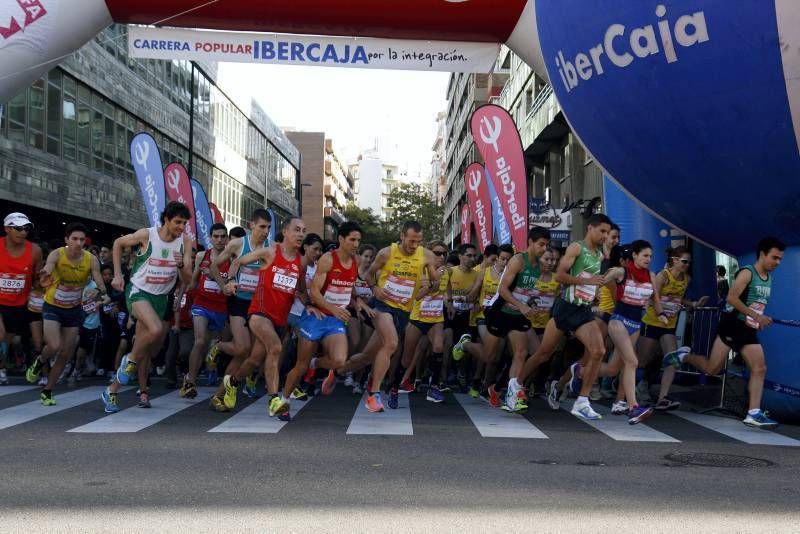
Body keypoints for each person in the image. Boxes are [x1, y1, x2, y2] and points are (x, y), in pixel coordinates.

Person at [663, 237, 785, 429]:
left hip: (748, 330)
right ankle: (684, 356)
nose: (777, 262)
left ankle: (753, 413)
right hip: (731, 326)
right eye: (774, 257)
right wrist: (756, 315)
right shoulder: (747, 273)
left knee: (760, 368)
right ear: (762, 254)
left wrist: (758, 319)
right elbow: (732, 298)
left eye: (780, 259)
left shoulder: (768, 278)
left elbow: (755, 304)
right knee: (712, 369)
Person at [511, 214, 613, 420]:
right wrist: (589, 282)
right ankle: (516, 385)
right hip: (566, 308)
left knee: (598, 350)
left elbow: (592, 280)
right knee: (543, 354)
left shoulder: (599, 255)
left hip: (583, 309)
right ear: (590, 228)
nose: (605, 236)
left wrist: (594, 292)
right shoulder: (576, 248)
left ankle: (582, 401)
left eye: (608, 232)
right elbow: (560, 276)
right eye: (602, 231)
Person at [335, 221, 441, 413]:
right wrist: (375, 288)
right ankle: (373, 395)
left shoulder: (426, 256)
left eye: (418, 241)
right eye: (411, 241)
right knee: (391, 344)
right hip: (383, 307)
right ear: (402, 236)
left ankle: (337, 371)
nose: (414, 246)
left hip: (404, 311)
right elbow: (368, 274)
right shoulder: (387, 253)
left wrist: (430, 284)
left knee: (367, 357)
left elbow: (435, 284)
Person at [100, 202, 193, 412]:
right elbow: (117, 243)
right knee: (155, 329)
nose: (181, 227)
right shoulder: (147, 235)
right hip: (139, 292)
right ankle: (130, 361)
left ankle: (112, 390)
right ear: (167, 219)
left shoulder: (185, 242)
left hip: (162, 298)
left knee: (147, 348)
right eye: (178, 222)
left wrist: (180, 265)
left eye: (184, 223)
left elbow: (187, 278)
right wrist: (117, 274)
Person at [221, 217, 306, 417]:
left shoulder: (299, 262)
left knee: (255, 359)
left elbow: (301, 291)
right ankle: (273, 400)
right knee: (276, 348)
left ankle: (231, 382)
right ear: (285, 232)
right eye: (296, 230)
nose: (301, 234)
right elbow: (238, 261)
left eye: (304, 230)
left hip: (279, 319)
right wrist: (232, 280)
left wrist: (312, 305)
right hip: (259, 313)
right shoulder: (270, 251)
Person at [280, 222, 364, 419]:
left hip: (334, 320)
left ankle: (316, 363)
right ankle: (284, 400)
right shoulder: (327, 260)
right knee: (300, 366)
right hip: (316, 317)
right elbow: (315, 293)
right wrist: (334, 309)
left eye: (358, 240)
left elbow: (350, 285)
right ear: (341, 239)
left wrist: (358, 301)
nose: (355, 244)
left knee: (339, 360)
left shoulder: (356, 261)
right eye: (352, 239)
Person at [26, 223, 105, 405]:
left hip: (73, 310)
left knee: (65, 353)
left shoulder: (90, 259)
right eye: (75, 239)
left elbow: (100, 282)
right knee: (54, 345)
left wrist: (100, 291)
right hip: (53, 306)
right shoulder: (57, 254)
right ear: (67, 240)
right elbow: (49, 266)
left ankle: (47, 391)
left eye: (82, 239)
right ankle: (40, 361)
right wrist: (45, 273)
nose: (78, 243)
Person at [206, 210, 271, 411]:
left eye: (268, 227)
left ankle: (219, 395)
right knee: (242, 348)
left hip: (258, 305)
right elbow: (214, 265)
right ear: (252, 225)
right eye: (262, 227)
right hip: (239, 302)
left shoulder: (271, 248)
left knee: (247, 355)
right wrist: (224, 284)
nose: (266, 231)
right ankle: (218, 347)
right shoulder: (238, 244)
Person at [593, 240, 664, 424]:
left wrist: (661, 313)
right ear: (634, 255)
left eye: (650, 256)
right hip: (618, 322)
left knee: (612, 369)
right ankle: (633, 407)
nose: (649, 259)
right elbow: (600, 280)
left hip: (635, 325)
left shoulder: (651, 275)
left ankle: (579, 372)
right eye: (645, 255)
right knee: (632, 361)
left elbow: (656, 300)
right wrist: (594, 298)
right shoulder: (621, 272)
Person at [638, 246, 707, 411]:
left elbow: (680, 299)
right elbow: (653, 296)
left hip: (669, 325)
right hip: (652, 322)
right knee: (641, 361)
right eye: (684, 261)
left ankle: (663, 398)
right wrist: (660, 310)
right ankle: (621, 385)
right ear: (674, 260)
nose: (686, 265)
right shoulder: (663, 276)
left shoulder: (686, 279)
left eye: (689, 262)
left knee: (672, 359)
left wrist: (694, 304)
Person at [397, 240, 450, 403]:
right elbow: (417, 296)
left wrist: (449, 301)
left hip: (436, 318)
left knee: (439, 347)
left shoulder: (446, 272)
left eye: (443, 254)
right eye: (437, 253)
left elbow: (447, 290)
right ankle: (395, 386)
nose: (441, 256)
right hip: (418, 317)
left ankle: (433, 388)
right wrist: (432, 283)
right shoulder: (420, 271)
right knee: (407, 358)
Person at [180, 223, 229, 399]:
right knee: (199, 342)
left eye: (223, 236)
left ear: (227, 238)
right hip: (202, 305)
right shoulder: (202, 256)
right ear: (210, 238)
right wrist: (180, 273)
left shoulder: (231, 258)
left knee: (217, 346)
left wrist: (214, 275)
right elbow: (192, 282)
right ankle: (190, 382)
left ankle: (209, 368)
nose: (219, 240)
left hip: (222, 308)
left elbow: (231, 285)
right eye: (216, 236)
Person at [0, 212, 42, 385]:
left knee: (6, 341)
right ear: (7, 229)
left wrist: (43, 281)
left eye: (26, 228)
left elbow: (37, 280)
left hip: (19, 304)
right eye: (18, 228)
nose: (23, 232)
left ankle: (1, 368)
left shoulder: (35, 251)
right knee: (0, 335)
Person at [445, 243, 479, 395]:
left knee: (465, 348)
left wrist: (475, 302)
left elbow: (478, 297)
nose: (472, 258)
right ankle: (442, 378)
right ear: (460, 257)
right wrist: (450, 302)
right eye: (469, 255)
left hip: (468, 316)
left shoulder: (477, 275)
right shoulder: (450, 272)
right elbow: (442, 294)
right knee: (447, 345)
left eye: (474, 256)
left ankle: (462, 375)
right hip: (450, 314)